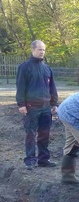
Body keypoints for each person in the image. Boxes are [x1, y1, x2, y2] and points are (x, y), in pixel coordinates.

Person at [16, 40, 59, 170]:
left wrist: (54, 103)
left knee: (44, 133)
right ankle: (30, 160)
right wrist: (21, 104)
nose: (42, 52)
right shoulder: (24, 67)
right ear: (33, 50)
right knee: (30, 133)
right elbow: (20, 86)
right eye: (40, 49)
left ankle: (43, 159)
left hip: (45, 107)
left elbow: (52, 87)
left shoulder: (47, 68)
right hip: (31, 107)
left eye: (44, 50)